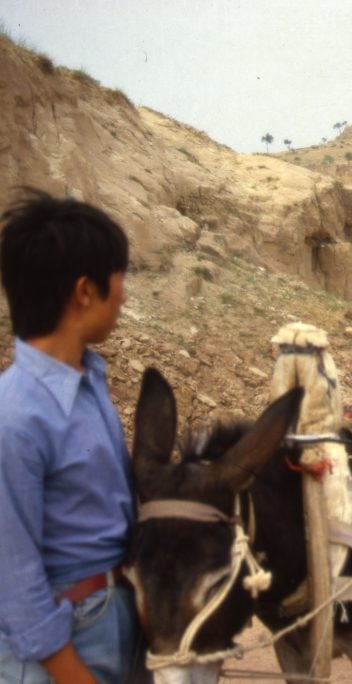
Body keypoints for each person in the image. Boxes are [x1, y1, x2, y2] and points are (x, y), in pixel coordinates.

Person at [0, 190, 147, 682]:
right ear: (85, 291)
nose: (124, 294)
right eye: (119, 279)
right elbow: (13, 579)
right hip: (62, 649)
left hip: (116, 621)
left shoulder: (87, 382)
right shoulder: (14, 417)